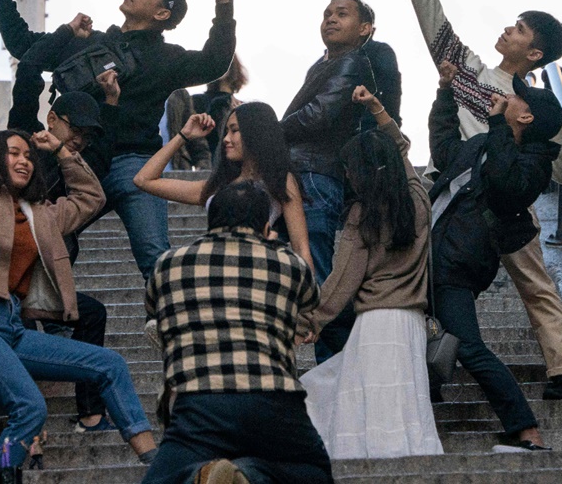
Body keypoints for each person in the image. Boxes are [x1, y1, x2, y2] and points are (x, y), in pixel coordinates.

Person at [0, 107, 157, 479]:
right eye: (14, 153)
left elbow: (91, 198)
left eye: (28, 155)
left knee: (110, 365)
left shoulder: (42, 213)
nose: (24, 160)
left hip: (13, 327)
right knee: (29, 407)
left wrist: (60, 151)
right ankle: (2, 468)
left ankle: (154, 461)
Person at [397, 0, 562, 400]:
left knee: (535, 282)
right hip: (455, 198)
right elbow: (433, 22)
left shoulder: (537, 106)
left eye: (519, 29)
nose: (508, 29)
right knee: (425, 277)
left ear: (535, 53)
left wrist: (550, 122)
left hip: (504, 200)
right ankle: (425, 368)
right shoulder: (472, 70)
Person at [0, 0, 236, 281]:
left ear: (163, 12)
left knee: (154, 256)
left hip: (135, 165)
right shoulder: (92, 42)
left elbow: (215, 61)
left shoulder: (167, 58)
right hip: (79, 158)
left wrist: (223, 2)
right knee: (50, 239)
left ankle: (169, 326)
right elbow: (23, 45)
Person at [0, 90, 118, 449]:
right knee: (5, 337)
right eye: (74, 130)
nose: (79, 140)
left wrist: (64, 152)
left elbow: (91, 198)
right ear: (52, 119)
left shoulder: (71, 163)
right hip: (0, 290)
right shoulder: (13, 157)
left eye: (85, 136)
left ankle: (91, 413)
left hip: (43, 284)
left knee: (91, 314)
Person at [141, 182, 332, 484]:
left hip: (199, 403)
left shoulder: (167, 264)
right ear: (266, 225)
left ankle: (199, 476)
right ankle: (250, 475)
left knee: (165, 479)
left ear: (209, 220)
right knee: (313, 473)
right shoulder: (289, 263)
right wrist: (272, 246)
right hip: (274, 399)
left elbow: (153, 305)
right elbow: (311, 299)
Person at [297, 85, 442, 459]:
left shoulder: (363, 214)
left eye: (349, 169)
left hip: (376, 321)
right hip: (411, 322)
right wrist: (379, 110)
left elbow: (342, 279)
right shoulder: (417, 199)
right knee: (403, 406)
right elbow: (402, 150)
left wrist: (311, 320)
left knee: (360, 403)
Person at [429, 60, 562, 451]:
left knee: (468, 346)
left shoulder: (534, 163)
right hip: (427, 253)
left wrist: (499, 127)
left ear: (525, 114)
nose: (504, 95)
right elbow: (444, 150)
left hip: (458, 263)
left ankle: (526, 429)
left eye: (514, 96)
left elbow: (507, 186)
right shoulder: (483, 143)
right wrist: (444, 95)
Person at [281, 0, 374, 362]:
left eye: (342, 14)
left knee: (319, 278)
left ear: (365, 29)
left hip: (317, 176)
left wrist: (267, 131)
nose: (330, 19)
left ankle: (336, 367)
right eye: (327, 14)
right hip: (302, 172)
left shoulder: (352, 63)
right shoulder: (325, 64)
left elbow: (318, 115)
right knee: (308, 272)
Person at [133, 102, 313, 270]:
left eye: (234, 131)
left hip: (257, 269)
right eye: (226, 131)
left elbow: (300, 247)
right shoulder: (219, 185)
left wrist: (308, 298)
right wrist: (184, 136)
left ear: (255, 133)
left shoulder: (281, 180)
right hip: (215, 268)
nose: (226, 139)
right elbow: (143, 180)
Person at [192, 53, 248, 155]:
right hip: (208, 161)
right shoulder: (197, 101)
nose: (220, 65)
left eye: (225, 62)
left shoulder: (243, 107)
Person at [163, 88, 212, 170]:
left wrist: (203, 167)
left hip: (177, 169)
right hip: (141, 165)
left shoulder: (179, 93)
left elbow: (194, 134)